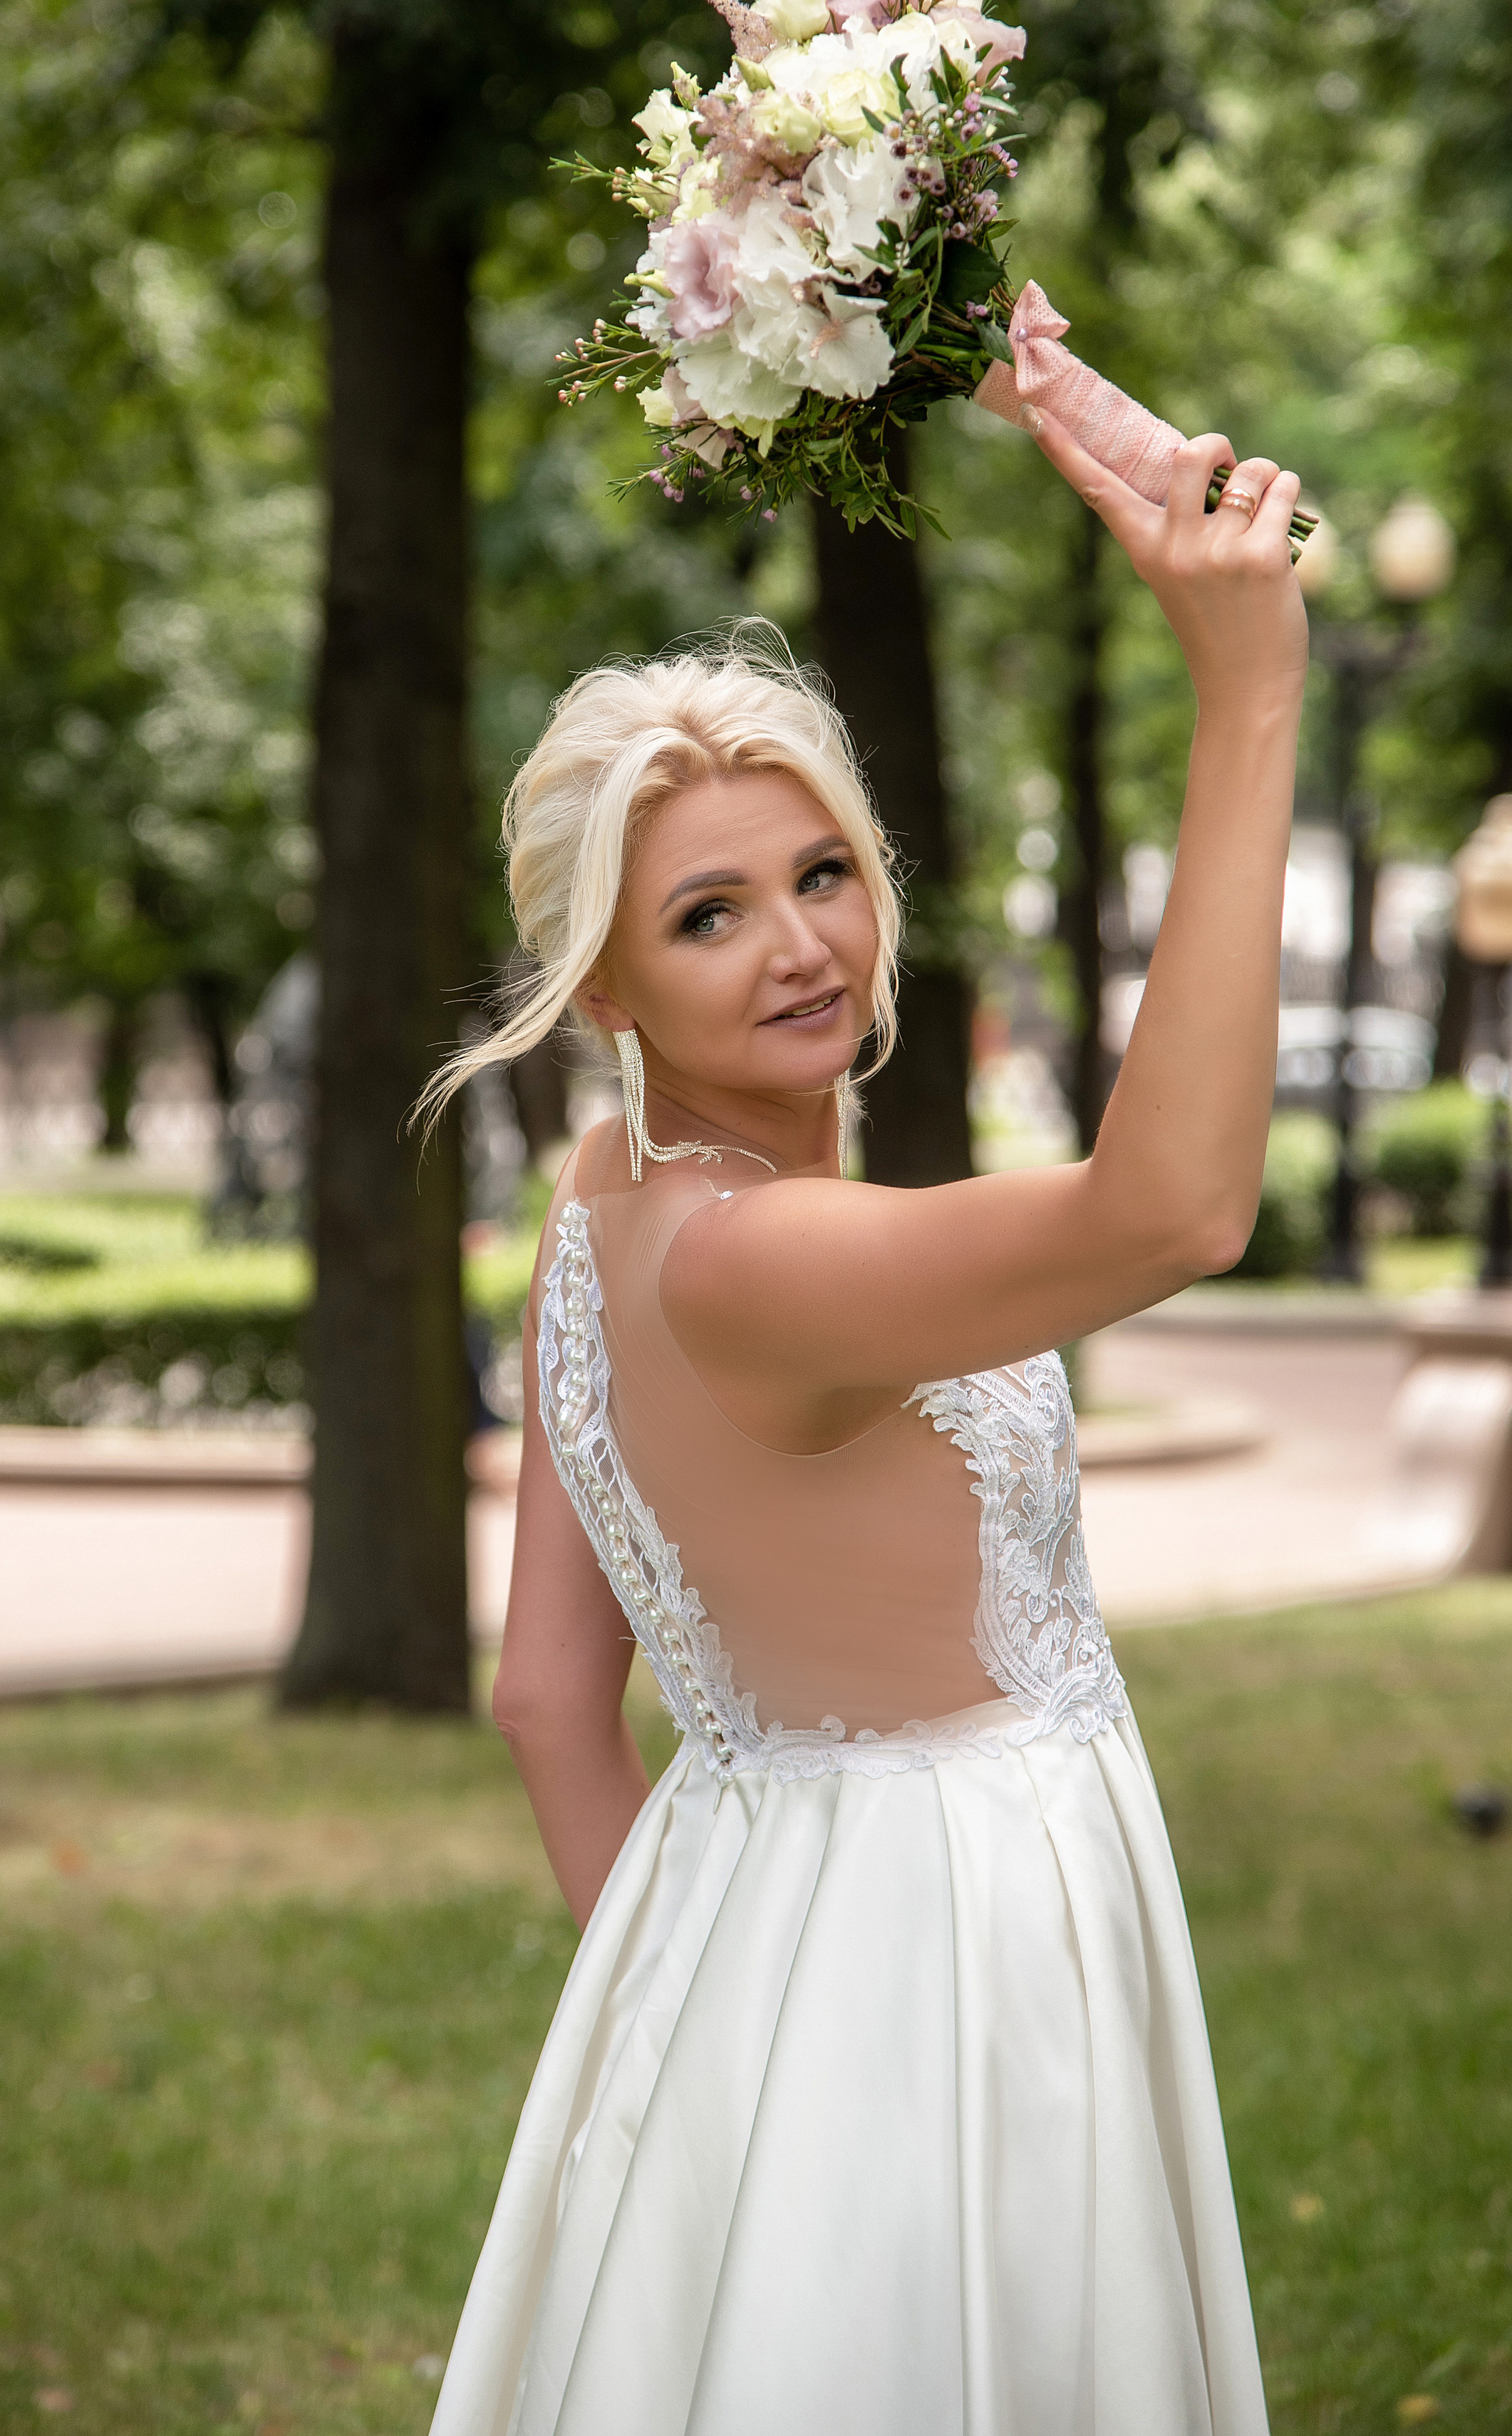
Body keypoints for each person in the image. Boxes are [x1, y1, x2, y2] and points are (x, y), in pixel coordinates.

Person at [418, 410, 1307, 2436]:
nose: (805, 941)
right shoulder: (764, 1266)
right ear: (608, 988)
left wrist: (701, 2039)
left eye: (821, 871)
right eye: (710, 914)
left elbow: (549, 1702)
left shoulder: (609, 1219)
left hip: (758, 1917)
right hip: (958, 1939)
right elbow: (1173, 1208)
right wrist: (1247, 691)